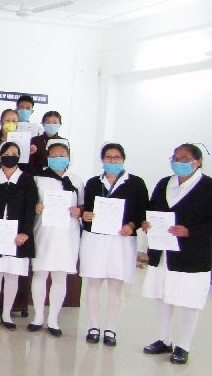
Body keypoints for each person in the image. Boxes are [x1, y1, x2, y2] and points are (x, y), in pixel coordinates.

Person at [141, 144, 212, 365]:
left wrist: (190, 231)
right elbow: (152, 209)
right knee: (163, 296)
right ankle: (164, 339)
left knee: (188, 299)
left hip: (192, 254)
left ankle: (184, 345)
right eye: (175, 157)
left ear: (197, 161)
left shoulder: (208, 186)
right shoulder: (165, 183)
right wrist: (147, 223)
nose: (178, 162)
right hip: (163, 252)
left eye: (184, 158)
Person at [79, 143, 148, 346]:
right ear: (102, 160)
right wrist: (86, 215)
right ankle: (93, 326)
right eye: (108, 157)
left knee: (115, 287)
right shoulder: (93, 183)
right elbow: (85, 210)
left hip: (121, 240)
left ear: (123, 159)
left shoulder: (135, 183)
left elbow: (142, 211)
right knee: (93, 285)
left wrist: (132, 225)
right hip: (95, 239)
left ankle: (110, 329)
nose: (112, 160)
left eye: (116, 157)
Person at [0, 142, 38, 330]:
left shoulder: (27, 180)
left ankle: (6, 314)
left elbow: (31, 209)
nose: (10, 156)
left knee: (12, 276)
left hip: (17, 236)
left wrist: (25, 232)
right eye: (7, 153)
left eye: (14, 153)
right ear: (0, 155)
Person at [29, 143, 84, 336]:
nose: (59, 158)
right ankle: (38, 317)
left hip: (67, 234)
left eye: (63, 155)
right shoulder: (38, 178)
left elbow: (84, 206)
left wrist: (80, 212)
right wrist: (35, 207)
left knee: (60, 276)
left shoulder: (77, 180)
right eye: (54, 155)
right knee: (40, 273)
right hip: (44, 232)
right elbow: (29, 203)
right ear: (47, 158)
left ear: (69, 157)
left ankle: (53, 319)